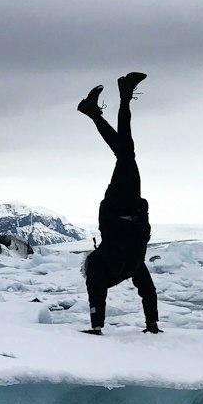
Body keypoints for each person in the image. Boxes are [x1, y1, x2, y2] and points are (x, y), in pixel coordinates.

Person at [77, 72, 160, 335]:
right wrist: (152, 324)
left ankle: (119, 99)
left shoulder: (103, 266)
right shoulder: (132, 264)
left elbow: (96, 294)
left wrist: (96, 326)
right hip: (132, 206)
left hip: (117, 206)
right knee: (125, 153)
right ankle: (100, 108)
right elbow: (148, 290)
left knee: (126, 155)